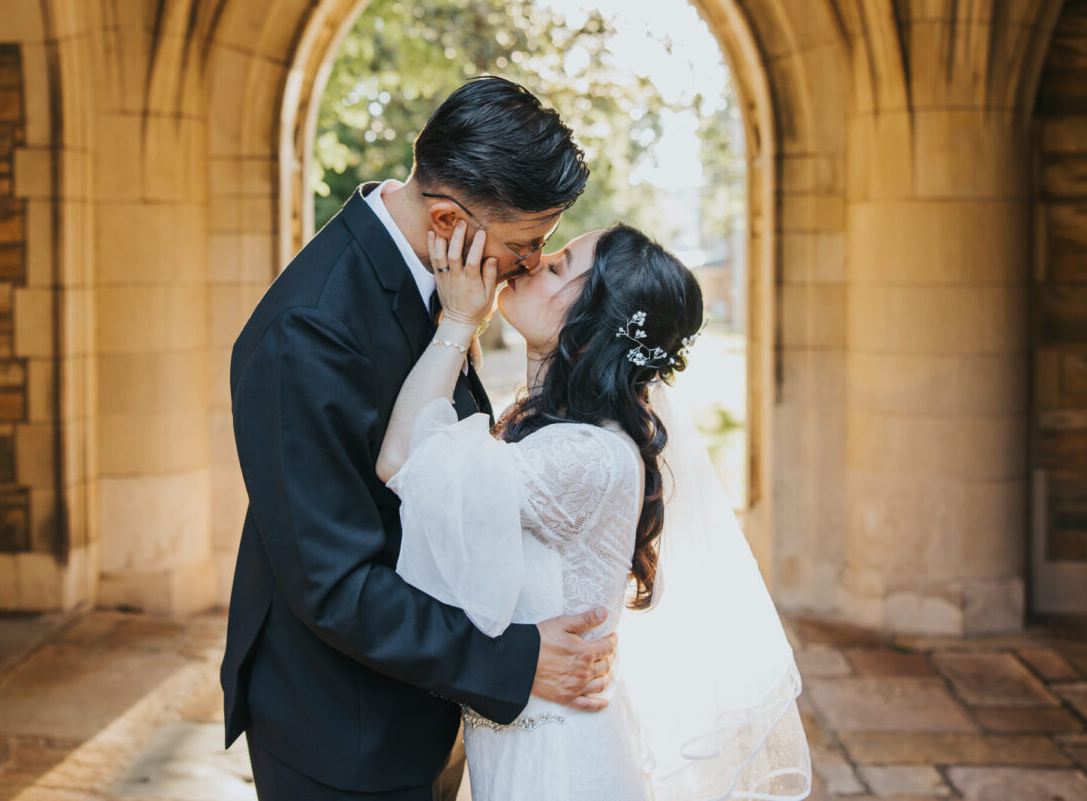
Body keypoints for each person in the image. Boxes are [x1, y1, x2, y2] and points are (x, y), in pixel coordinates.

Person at [222, 76, 618, 801]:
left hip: (419, 698)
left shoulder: (443, 282)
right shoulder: (306, 335)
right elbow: (333, 579)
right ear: (446, 218)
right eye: (526, 243)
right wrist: (515, 659)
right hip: (342, 729)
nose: (531, 263)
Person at [377, 221, 813, 800]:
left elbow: (404, 459)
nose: (534, 263)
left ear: (591, 328)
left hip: (555, 767)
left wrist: (458, 321)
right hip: (532, 746)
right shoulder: (570, 436)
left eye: (557, 266)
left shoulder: (585, 455)